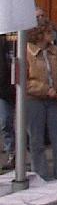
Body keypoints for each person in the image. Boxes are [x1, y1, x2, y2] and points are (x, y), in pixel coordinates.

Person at [26, 19, 57, 180]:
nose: (53, 34)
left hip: (54, 100)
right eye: (49, 32)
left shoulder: (56, 51)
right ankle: (40, 174)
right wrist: (46, 89)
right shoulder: (27, 52)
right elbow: (24, 81)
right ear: (39, 34)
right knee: (36, 141)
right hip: (33, 100)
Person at [0, 35, 15, 171]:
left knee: (27, 125)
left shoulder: (11, 42)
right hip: (3, 90)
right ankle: (12, 153)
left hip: (16, 87)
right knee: (5, 122)